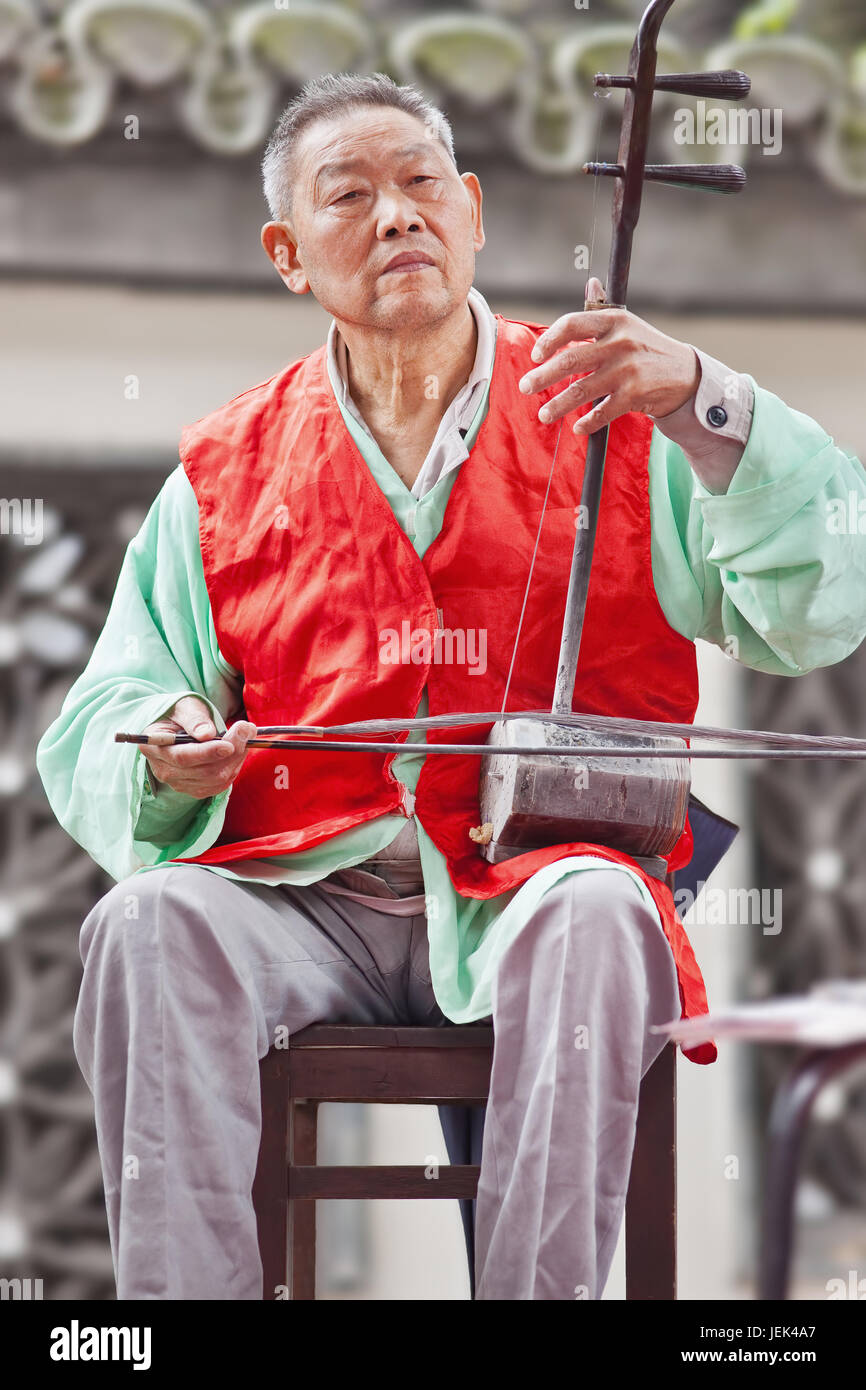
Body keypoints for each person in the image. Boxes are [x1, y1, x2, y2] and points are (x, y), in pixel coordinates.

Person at [36, 72, 866, 1301]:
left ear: (472, 210)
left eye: (423, 184)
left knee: (593, 909)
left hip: (538, 881)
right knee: (143, 927)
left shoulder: (613, 408)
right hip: (308, 898)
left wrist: (705, 400)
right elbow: (110, 710)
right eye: (350, 195)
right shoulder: (224, 470)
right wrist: (167, 741)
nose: (396, 216)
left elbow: (817, 607)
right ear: (285, 253)